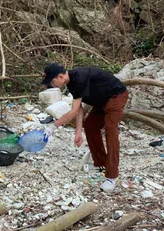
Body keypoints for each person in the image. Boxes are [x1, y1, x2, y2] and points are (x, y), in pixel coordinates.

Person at [42, 63, 128, 192]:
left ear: (60, 77)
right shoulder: (71, 82)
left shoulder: (79, 78)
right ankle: (101, 163)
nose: (53, 85)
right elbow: (80, 108)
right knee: (90, 126)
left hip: (116, 96)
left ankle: (112, 176)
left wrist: (53, 127)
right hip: (101, 101)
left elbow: (73, 111)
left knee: (111, 131)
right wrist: (78, 133)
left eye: (53, 82)